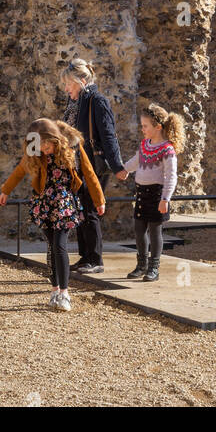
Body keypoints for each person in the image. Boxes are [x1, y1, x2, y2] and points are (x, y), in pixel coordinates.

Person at [0, 117, 105, 311]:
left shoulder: (73, 146)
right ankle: (55, 290)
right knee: (52, 247)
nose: (42, 150)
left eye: (45, 146)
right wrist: (5, 190)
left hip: (64, 202)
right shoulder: (35, 149)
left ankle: (65, 294)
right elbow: (20, 170)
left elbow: (89, 173)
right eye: (39, 147)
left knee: (59, 245)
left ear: (54, 139)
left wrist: (99, 200)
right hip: (44, 202)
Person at [61, 58, 127, 274]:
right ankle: (85, 256)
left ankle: (96, 259)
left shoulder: (97, 101)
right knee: (80, 210)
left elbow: (108, 135)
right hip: (76, 165)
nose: (66, 88)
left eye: (68, 84)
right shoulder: (75, 103)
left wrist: (117, 166)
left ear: (81, 81)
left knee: (89, 210)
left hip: (93, 164)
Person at [121, 102, 184, 282]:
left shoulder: (167, 150)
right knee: (139, 230)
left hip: (157, 195)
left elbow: (171, 176)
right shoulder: (144, 145)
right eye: (142, 126)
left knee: (155, 232)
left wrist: (165, 198)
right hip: (142, 193)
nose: (142, 129)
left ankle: (153, 268)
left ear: (157, 127)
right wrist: (124, 169)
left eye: (145, 126)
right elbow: (136, 160)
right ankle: (141, 265)